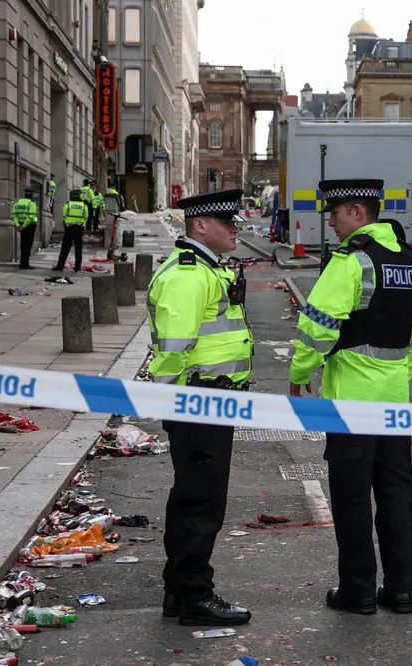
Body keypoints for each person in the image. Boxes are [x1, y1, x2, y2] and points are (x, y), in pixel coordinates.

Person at [288, 178, 412, 616]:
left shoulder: (350, 262)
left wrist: (300, 372)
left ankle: (359, 592)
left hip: (350, 401)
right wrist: (395, 376)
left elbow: (317, 324)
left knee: (352, 499)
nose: (330, 222)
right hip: (394, 399)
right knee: (395, 494)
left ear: (356, 211)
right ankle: (401, 590)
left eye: (334, 213)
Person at [148, 188, 254, 627]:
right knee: (201, 502)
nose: (235, 228)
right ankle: (195, 595)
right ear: (198, 225)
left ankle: (179, 590)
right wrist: (173, 400)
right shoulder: (190, 275)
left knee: (192, 496)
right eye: (226, 221)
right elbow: (173, 349)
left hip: (207, 399)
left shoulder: (205, 270)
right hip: (199, 401)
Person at [53, 189, 87, 272]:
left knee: (65, 248)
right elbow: (86, 217)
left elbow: (64, 215)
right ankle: (77, 267)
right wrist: (82, 225)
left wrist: (66, 225)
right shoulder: (83, 205)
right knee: (78, 248)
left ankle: (60, 266)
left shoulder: (68, 204)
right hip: (79, 228)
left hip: (69, 228)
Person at [12, 188, 38, 270]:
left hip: (21, 226)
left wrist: (18, 225)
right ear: (31, 195)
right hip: (29, 226)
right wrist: (24, 226)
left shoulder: (18, 202)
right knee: (27, 246)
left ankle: (22, 263)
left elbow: (14, 215)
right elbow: (31, 217)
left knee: (23, 245)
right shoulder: (31, 203)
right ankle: (25, 264)